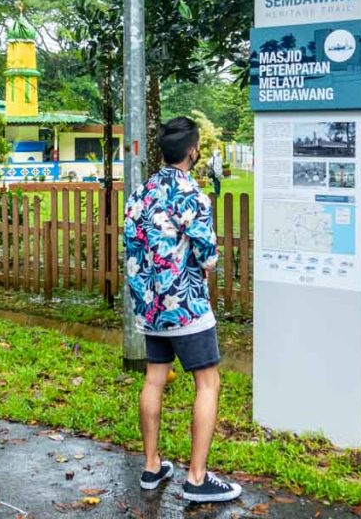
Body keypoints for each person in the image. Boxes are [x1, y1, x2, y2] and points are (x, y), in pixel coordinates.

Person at [122, 116, 242, 503]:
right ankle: (196, 477)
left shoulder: (141, 193)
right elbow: (207, 257)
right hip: (186, 306)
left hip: (150, 306)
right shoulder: (192, 195)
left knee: (154, 379)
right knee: (208, 382)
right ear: (193, 151)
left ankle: (152, 466)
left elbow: (133, 246)